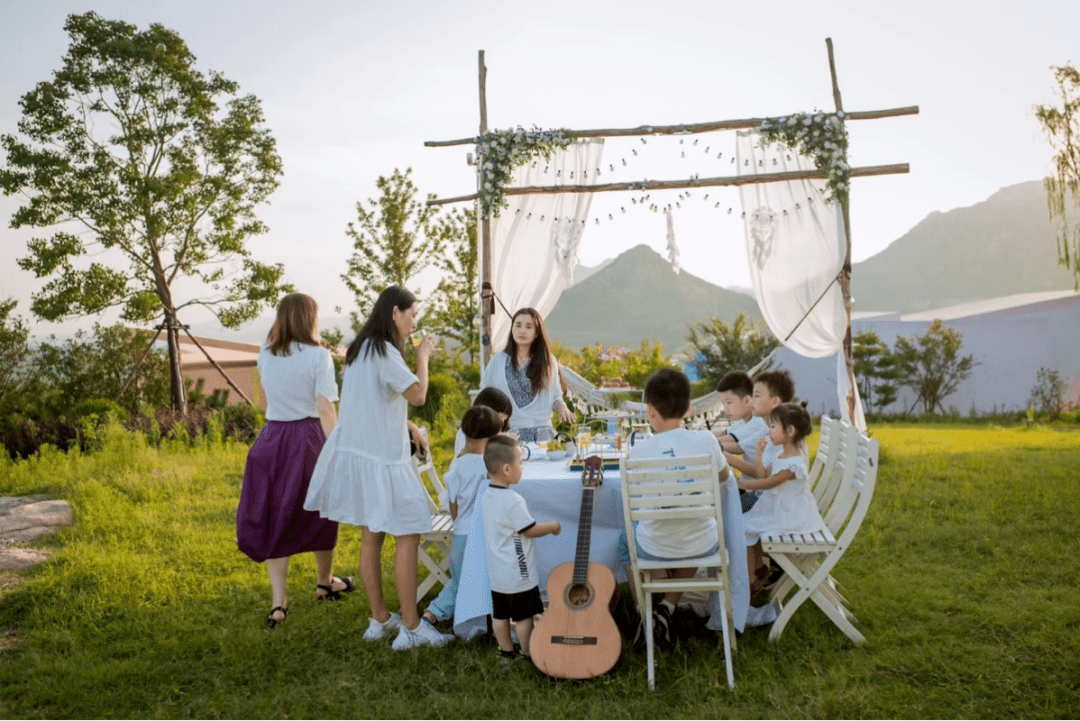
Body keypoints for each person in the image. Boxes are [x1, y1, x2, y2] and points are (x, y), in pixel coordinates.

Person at [304, 285, 452, 650]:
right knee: (409, 535)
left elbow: (370, 404)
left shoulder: (361, 349)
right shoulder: (385, 351)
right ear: (395, 313)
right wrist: (424, 356)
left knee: (371, 536)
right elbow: (417, 396)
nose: (414, 321)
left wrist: (408, 426)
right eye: (412, 314)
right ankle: (413, 629)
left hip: (362, 456)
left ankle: (380, 619)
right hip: (384, 460)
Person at [236, 293, 354, 628]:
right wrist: (338, 450)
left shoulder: (265, 352)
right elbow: (326, 408)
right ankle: (325, 582)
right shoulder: (319, 357)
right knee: (322, 511)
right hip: (308, 439)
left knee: (277, 516)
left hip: (271, 438)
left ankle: (279, 603)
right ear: (310, 318)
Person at [616, 368, 731, 647]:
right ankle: (667, 608)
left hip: (655, 544)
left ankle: (645, 614)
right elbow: (724, 477)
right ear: (690, 408)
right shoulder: (707, 441)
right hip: (703, 543)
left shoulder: (638, 452)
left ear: (650, 411)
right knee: (695, 526)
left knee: (624, 541)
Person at [422, 405, 504, 631]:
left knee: (459, 581)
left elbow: (453, 503)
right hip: (477, 537)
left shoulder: (457, 462)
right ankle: (440, 614)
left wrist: (459, 524)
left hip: (460, 535)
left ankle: (434, 614)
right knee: (479, 580)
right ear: (490, 438)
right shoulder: (486, 467)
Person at [481, 433, 561, 661]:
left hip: (498, 573)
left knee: (501, 614)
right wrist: (552, 526)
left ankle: (506, 651)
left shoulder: (487, 496)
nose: (522, 466)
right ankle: (528, 652)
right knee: (524, 616)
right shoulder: (513, 500)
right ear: (507, 469)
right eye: (520, 462)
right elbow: (530, 530)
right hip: (519, 573)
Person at [740, 403, 824, 594]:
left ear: (790, 431)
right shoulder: (781, 454)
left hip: (791, 516)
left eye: (773, 427)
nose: (769, 431)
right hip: (780, 509)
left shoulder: (794, 463)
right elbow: (762, 476)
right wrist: (759, 455)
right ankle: (757, 572)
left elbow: (767, 483)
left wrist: (739, 484)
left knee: (744, 526)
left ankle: (751, 579)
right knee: (744, 525)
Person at [479, 308, 574, 443]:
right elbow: (485, 394)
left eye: (528, 327)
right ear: (512, 329)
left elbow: (556, 397)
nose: (522, 331)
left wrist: (562, 406)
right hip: (511, 436)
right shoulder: (498, 360)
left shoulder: (548, 361)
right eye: (517, 325)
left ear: (536, 333)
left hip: (543, 435)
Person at [724, 369, 797, 506]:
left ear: (774, 401)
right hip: (760, 494)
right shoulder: (767, 427)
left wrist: (723, 455)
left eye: (756, 396)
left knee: (717, 504)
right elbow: (740, 447)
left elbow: (764, 478)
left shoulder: (782, 436)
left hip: (770, 501)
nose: (750, 401)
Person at [713, 371, 770, 513]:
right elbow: (721, 437)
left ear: (747, 400)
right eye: (723, 403)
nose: (725, 409)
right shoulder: (744, 420)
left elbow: (731, 445)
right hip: (749, 488)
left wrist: (708, 446)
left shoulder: (758, 422)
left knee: (713, 506)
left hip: (755, 493)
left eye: (729, 402)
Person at [453, 387, 513, 457]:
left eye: (505, 418)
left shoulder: (495, 433)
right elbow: (467, 458)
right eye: (501, 417)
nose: (502, 422)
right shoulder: (467, 433)